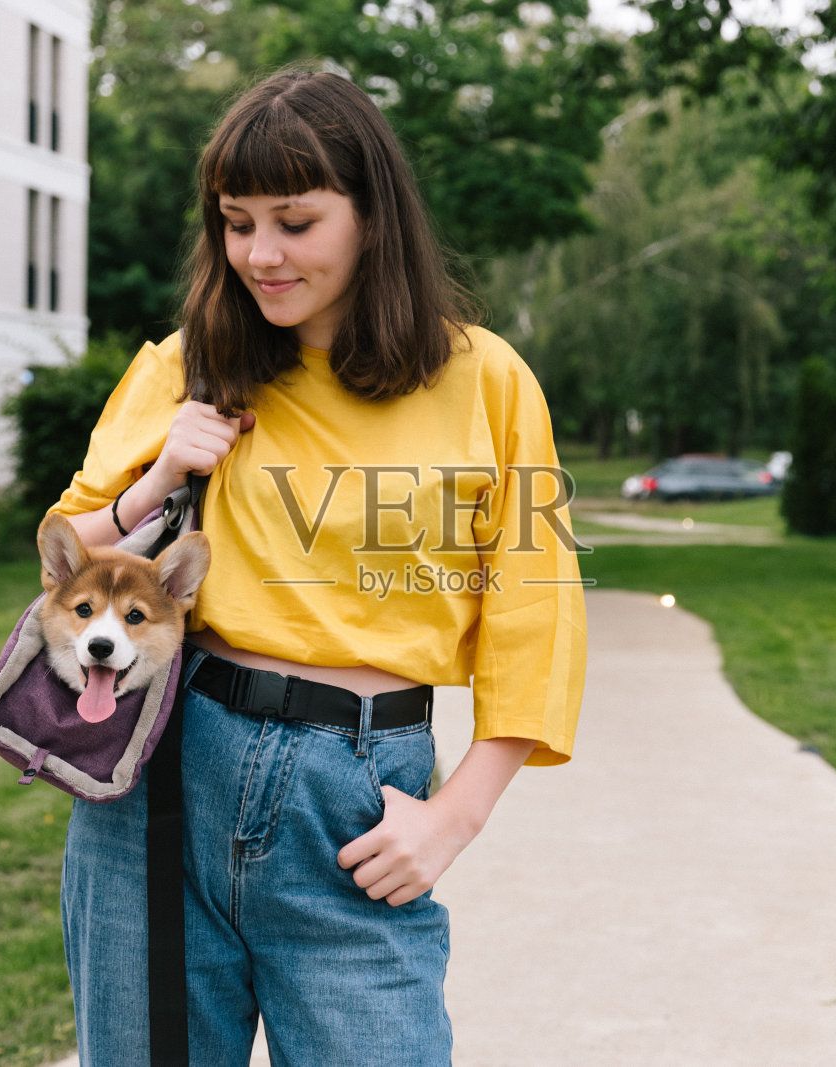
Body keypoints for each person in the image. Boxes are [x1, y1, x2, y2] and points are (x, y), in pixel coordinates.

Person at [49, 68, 587, 1066]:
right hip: (168, 780)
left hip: (356, 797)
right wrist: (163, 466)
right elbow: (69, 564)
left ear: (372, 215)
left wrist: (455, 816)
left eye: (295, 220)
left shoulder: (489, 382)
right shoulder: (185, 366)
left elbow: (539, 614)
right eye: (236, 221)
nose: (260, 253)